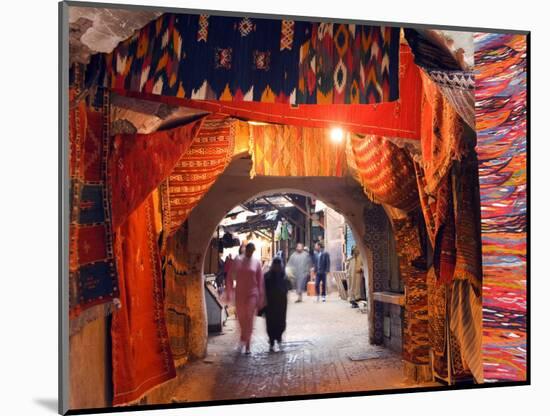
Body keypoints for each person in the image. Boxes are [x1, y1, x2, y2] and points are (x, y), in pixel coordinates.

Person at [225, 242, 264, 354]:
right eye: (249, 250)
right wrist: (229, 290)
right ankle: (243, 337)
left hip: (253, 293)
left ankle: (247, 344)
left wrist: (261, 296)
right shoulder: (238, 260)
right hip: (240, 293)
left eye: (252, 251)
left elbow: (260, 281)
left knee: (249, 317)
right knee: (241, 318)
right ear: (246, 250)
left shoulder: (256, 263)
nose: (250, 253)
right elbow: (229, 276)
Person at [261, 257, 291, 352]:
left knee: (279, 321)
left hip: (279, 303)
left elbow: (288, 286)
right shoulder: (269, 276)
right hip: (272, 303)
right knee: (272, 322)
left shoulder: (282, 275)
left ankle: (276, 338)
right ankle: (273, 339)